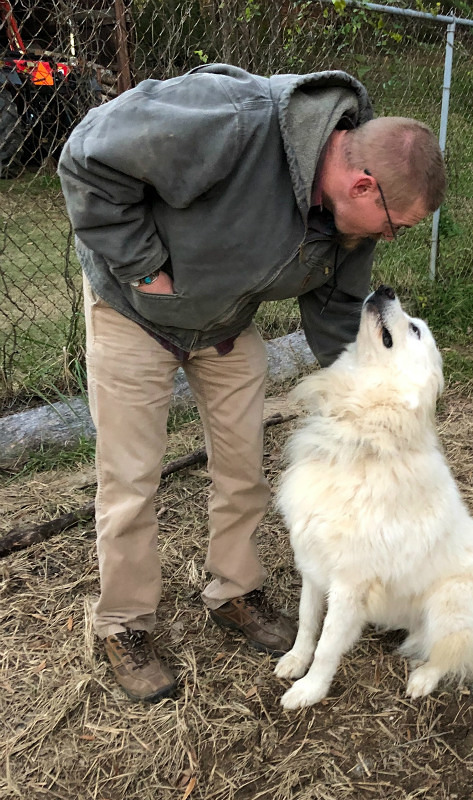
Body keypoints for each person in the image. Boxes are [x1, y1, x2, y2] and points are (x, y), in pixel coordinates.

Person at [57, 63, 446, 702]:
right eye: (394, 223)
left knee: (244, 467)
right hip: (134, 311)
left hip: (225, 324)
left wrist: (379, 419)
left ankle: (234, 591)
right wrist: (144, 266)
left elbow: (341, 320)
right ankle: (124, 624)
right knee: (130, 479)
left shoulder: (348, 220)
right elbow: (88, 159)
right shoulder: (232, 119)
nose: (391, 236)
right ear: (363, 183)